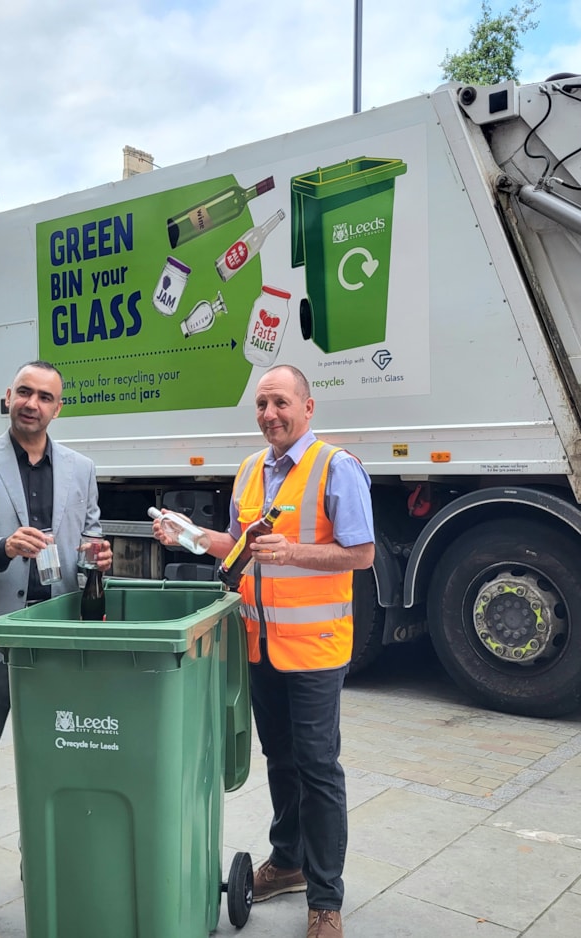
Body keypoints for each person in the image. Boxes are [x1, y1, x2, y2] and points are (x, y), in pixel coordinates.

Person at [152, 364, 374, 938]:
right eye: (260, 405)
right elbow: (240, 547)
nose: (269, 414)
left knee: (319, 768)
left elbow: (362, 554)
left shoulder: (336, 467)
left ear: (307, 408)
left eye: (280, 403)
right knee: (280, 759)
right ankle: (289, 860)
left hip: (317, 649)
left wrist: (294, 553)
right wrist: (190, 536)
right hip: (262, 646)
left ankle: (326, 900)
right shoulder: (251, 470)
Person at [0, 360, 112, 938]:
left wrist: (96, 558)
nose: (33, 403)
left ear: (60, 408)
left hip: (53, 645)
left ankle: (45, 868)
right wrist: (2, 548)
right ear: (8, 397)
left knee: (56, 768)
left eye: (46, 397)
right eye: (25, 392)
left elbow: (87, 541)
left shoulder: (81, 469)